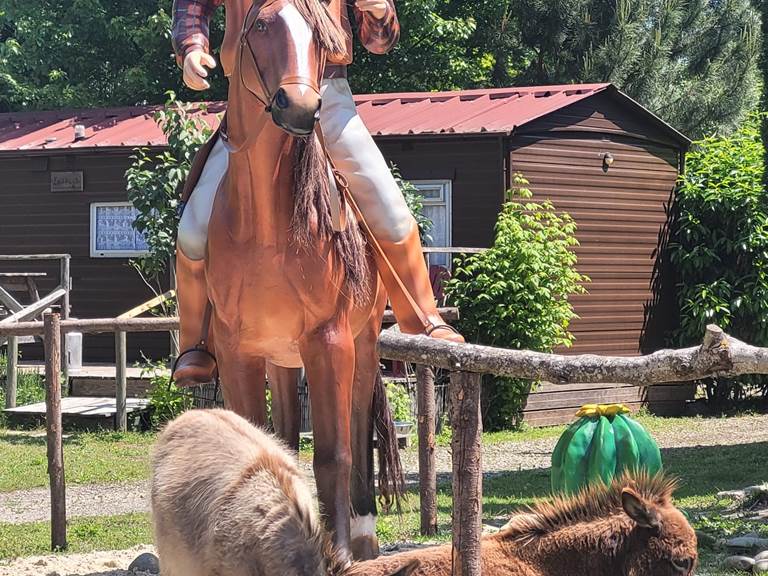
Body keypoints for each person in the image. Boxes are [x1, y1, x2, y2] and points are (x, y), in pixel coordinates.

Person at [171, 0, 464, 386]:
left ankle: (423, 314)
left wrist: (378, 13)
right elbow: (193, 7)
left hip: (326, 94)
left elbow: (379, 42)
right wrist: (193, 48)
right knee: (193, 229)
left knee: (388, 208)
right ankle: (198, 341)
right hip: (252, 94)